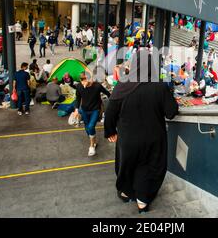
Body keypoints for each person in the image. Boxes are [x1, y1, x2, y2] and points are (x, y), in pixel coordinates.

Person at [104, 50, 179, 213]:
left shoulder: (122, 86)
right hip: (153, 138)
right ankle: (142, 201)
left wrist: (110, 131)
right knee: (147, 168)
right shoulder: (159, 87)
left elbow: (110, 110)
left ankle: (125, 192)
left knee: (127, 164)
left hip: (128, 139)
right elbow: (171, 112)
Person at [74, 73, 111, 157]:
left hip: (95, 110)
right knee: (87, 128)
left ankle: (91, 146)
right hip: (84, 110)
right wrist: (76, 110)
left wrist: (113, 103)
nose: (83, 81)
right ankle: (94, 142)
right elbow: (77, 99)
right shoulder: (79, 86)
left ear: (91, 79)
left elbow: (107, 93)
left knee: (91, 127)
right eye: (81, 79)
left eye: (85, 79)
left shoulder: (97, 86)